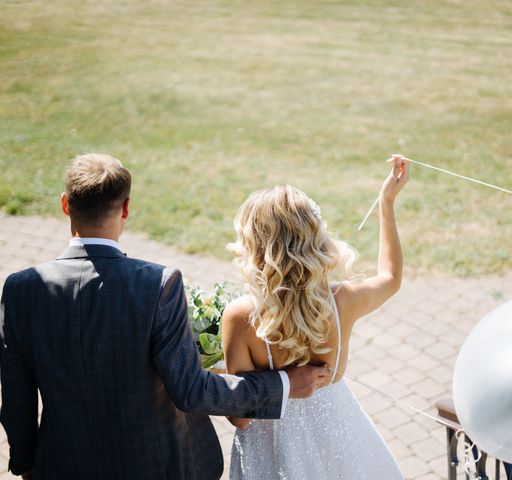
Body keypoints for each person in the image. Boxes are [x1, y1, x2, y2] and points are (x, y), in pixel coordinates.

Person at [0, 154, 330, 480]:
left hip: (62, 466)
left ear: (65, 205)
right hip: (155, 466)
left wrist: (26, 464)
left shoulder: (20, 290)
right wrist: (284, 384)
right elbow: (191, 390)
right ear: (126, 208)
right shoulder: (156, 284)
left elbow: (17, 398)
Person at [223, 155, 409, 479]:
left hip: (270, 450)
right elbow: (391, 277)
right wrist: (387, 202)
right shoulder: (343, 301)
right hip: (341, 438)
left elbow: (240, 418)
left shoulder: (241, 316)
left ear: (255, 245)